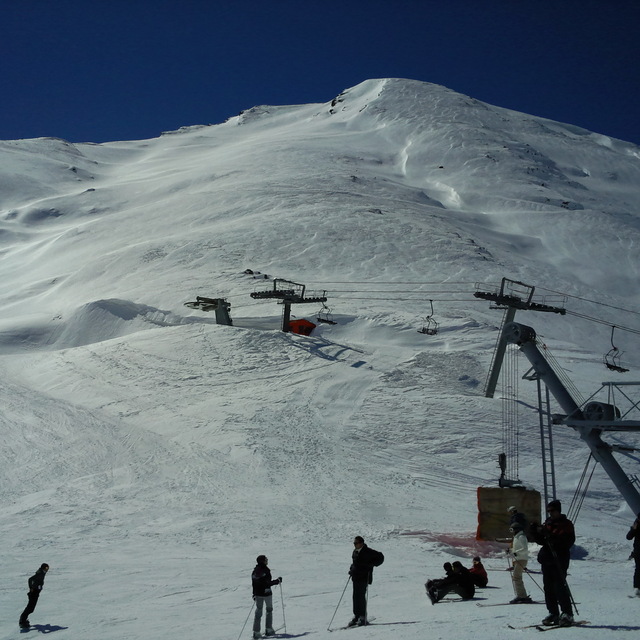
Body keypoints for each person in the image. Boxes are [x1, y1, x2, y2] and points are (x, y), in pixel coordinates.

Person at [531, 500, 575, 627]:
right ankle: (553, 612)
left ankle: (567, 613)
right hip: (547, 559)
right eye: (549, 511)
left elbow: (567, 541)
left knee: (559, 586)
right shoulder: (548, 523)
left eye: (553, 511)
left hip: (559, 558)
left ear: (558, 510)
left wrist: (550, 536)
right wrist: (535, 531)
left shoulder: (566, 524)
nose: (550, 514)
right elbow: (542, 541)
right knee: (548, 587)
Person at [348, 536, 384, 627]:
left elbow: (380, 557)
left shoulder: (368, 551)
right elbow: (355, 563)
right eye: (354, 543)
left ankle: (363, 617)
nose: (355, 545)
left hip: (364, 578)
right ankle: (356, 615)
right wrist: (352, 569)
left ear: (361, 543)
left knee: (360, 596)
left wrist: (372, 564)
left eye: (356, 543)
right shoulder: (355, 552)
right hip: (356, 577)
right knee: (355, 597)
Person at [251, 555, 282, 639]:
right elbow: (267, 583)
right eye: (265, 560)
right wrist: (277, 581)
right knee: (269, 610)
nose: (267, 561)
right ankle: (268, 629)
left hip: (258, 594)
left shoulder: (255, 571)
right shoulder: (265, 570)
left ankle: (256, 632)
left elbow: (253, 583)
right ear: (262, 561)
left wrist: (254, 593)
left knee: (258, 611)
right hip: (266, 593)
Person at [19, 563, 49, 629]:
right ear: (44, 568)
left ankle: (23, 620)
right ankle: (22, 621)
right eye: (47, 568)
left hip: (36, 592)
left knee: (31, 608)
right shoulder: (40, 573)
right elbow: (30, 579)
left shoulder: (42, 572)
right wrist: (31, 588)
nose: (48, 569)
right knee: (30, 608)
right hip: (34, 593)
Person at [508, 522, 532, 603]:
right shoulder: (517, 537)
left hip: (521, 559)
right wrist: (511, 551)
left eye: (512, 529)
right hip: (518, 558)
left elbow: (524, 548)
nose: (512, 531)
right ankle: (521, 595)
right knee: (516, 577)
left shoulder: (521, 537)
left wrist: (515, 553)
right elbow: (517, 548)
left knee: (516, 577)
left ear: (517, 529)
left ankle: (521, 596)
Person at [626, 512, 640, 597]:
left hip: (637, 551)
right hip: (638, 551)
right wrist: (633, 529)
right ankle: (637, 588)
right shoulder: (636, 525)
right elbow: (628, 537)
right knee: (638, 569)